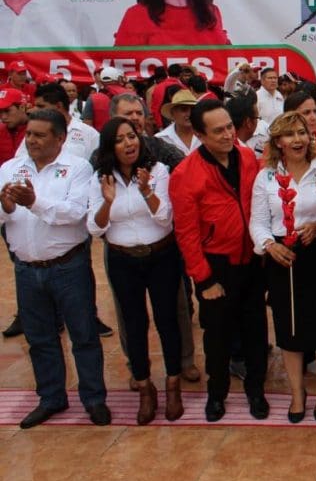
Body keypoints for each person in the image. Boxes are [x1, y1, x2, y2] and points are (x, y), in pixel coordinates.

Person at [0, 110, 110, 428]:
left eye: (39, 135)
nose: (31, 140)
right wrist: (6, 206)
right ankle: (51, 398)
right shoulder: (10, 168)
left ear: (60, 138)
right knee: (40, 339)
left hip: (68, 267)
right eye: (29, 134)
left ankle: (94, 399)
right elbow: (4, 215)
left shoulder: (77, 168)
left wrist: (34, 202)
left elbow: (75, 214)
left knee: (84, 335)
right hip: (25, 269)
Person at [170, 99, 270, 422]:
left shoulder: (246, 157)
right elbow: (186, 233)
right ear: (200, 135)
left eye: (229, 127)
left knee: (256, 331)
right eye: (218, 131)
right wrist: (204, 279)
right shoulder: (186, 174)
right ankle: (217, 394)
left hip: (251, 260)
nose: (228, 135)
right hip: (216, 265)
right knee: (217, 337)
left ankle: (256, 390)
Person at [250, 112, 316, 423]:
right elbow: (257, 221)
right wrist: (269, 245)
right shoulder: (266, 177)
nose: (298, 139)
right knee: (289, 327)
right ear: (278, 141)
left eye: (302, 133)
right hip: (282, 255)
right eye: (290, 134)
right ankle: (297, 394)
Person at [87, 117, 184, 424]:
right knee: (134, 323)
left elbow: (165, 218)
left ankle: (173, 385)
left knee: (168, 320)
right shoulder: (101, 178)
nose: (128, 143)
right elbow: (94, 228)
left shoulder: (158, 171)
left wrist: (146, 192)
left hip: (161, 256)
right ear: (109, 147)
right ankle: (144, 387)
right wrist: (107, 203)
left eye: (131, 136)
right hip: (123, 259)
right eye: (119, 139)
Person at [283, 91, 316, 162]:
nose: (313, 117)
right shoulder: (277, 147)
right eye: (306, 113)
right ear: (289, 116)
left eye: (315, 111)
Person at [155, 89, 200, 155]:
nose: (189, 114)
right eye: (184, 109)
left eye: (193, 109)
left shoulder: (206, 134)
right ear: (173, 113)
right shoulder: (161, 139)